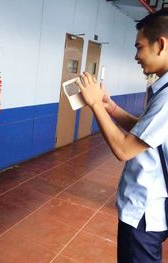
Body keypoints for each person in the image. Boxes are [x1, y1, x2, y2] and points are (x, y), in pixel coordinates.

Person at [76, 8, 168, 263]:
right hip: (149, 211)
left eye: (139, 47)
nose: (136, 56)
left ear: (160, 44)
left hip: (143, 214)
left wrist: (95, 105)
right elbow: (146, 133)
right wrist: (110, 107)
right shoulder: (162, 91)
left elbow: (124, 149)